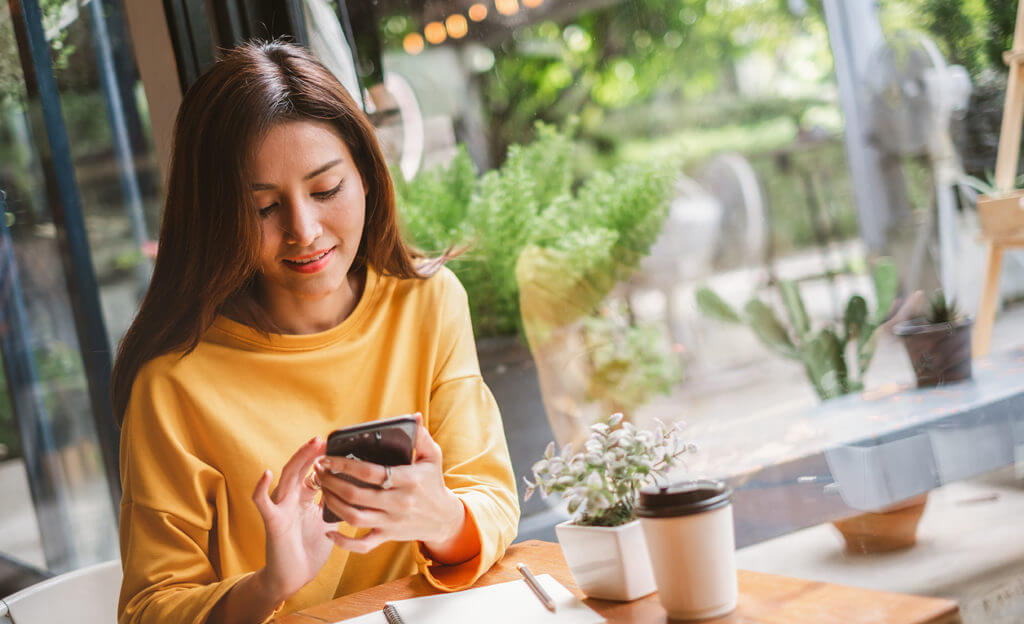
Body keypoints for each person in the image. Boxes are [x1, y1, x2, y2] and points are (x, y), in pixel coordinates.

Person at [112, 40, 519, 624]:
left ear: (367, 176)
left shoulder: (428, 303)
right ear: (216, 218)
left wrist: (443, 519)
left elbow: (491, 497)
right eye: (262, 209)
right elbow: (148, 609)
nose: (304, 230)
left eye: (325, 191)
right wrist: (268, 585)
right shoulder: (173, 383)